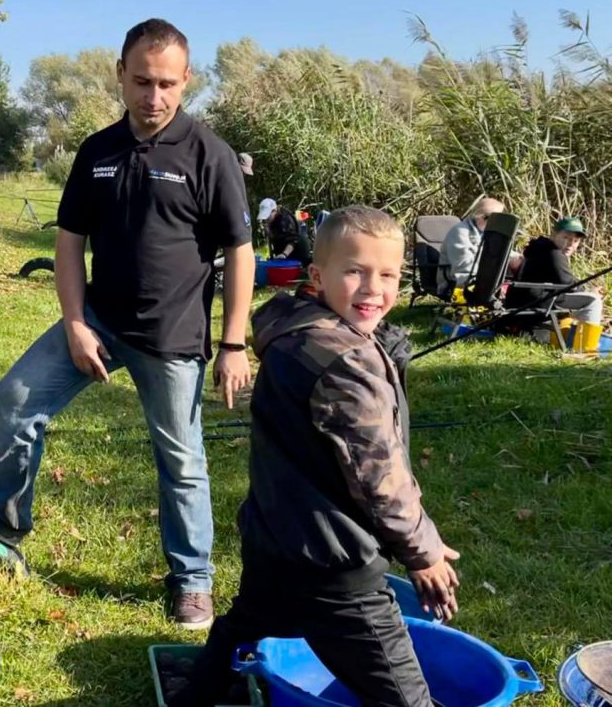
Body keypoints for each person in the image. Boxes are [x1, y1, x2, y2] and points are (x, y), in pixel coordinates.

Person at [0, 18, 256, 630]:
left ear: (187, 80)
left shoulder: (209, 154)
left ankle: (192, 581)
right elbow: (69, 242)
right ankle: (4, 514)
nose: (153, 96)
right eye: (142, 81)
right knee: (18, 397)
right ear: (120, 75)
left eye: (167, 84)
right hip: (99, 320)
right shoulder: (97, 151)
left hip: (172, 337)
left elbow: (240, 251)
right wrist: (76, 323)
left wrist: (234, 342)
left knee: (181, 462)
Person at [171, 206, 459, 707]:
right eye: (355, 271)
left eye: (388, 275)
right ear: (318, 276)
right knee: (408, 699)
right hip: (336, 566)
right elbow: (380, 477)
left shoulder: (297, 329)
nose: (373, 289)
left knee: (245, 623)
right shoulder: (347, 364)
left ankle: (196, 695)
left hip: (275, 536)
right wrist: (424, 551)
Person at [506, 216, 603, 328]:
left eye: (576, 241)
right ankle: (585, 338)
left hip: (524, 300)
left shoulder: (541, 247)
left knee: (585, 298)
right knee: (594, 301)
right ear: (554, 235)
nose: (571, 244)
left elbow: (564, 279)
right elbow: (568, 284)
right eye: (566, 237)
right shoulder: (554, 253)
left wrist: (584, 289)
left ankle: (572, 332)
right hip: (535, 301)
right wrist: (589, 291)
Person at [437, 197, 509, 298]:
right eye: (497, 219)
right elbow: (464, 267)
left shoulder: (487, 232)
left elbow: (502, 252)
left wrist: (518, 261)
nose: (499, 223)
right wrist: (489, 284)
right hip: (457, 283)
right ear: (481, 217)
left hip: (483, 278)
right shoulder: (460, 233)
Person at [257, 197, 311, 265]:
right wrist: (268, 230)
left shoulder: (284, 219)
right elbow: (274, 238)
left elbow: (293, 240)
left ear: (274, 211)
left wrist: (284, 254)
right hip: (284, 252)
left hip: (297, 251)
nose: (266, 218)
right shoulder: (271, 222)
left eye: (268, 215)